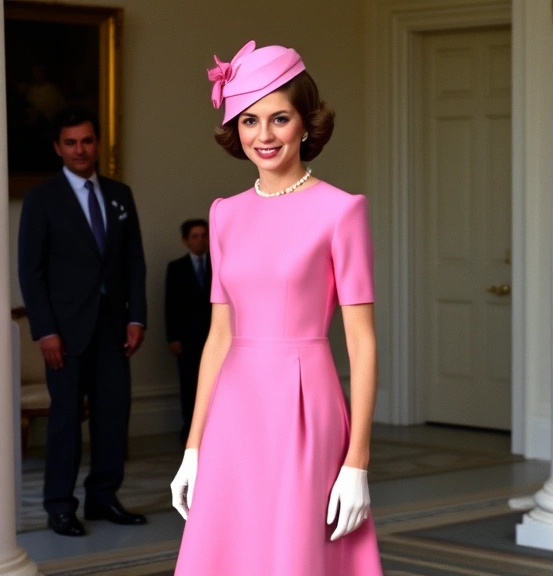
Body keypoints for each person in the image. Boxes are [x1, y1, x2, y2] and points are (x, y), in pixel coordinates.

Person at [170, 41, 383, 575]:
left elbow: (361, 341)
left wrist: (357, 459)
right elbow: (219, 337)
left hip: (304, 406)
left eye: (279, 118)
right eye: (248, 120)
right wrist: (194, 447)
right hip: (234, 412)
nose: (262, 136)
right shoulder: (224, 215)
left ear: (306, 124)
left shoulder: (341, 211)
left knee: (294, 555)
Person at [18, 108, 148, 537]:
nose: (80, 150)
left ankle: (103, 497)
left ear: (97, 144)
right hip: (65, 333)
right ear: (58, 147)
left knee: (114, 416)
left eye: (87, 141)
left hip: (114, 330)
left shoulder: (120, 194)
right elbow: (30, 272)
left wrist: (137, 317)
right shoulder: (42, 199)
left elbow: (134, 263)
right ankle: (59, 506)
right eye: (71, 143)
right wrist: (45, 330)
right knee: (65, 422)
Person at [164, 219, 212, 444]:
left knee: (216, 387)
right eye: (195, 236)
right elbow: (170, 304)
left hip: (214, 337)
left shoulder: (218, 264)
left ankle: (214, 433)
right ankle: (191, 434)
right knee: (189, 386)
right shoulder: (176, 268)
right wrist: (172, 337)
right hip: (188, 339)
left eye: (204, 235)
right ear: (186, 240)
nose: (200, 240)